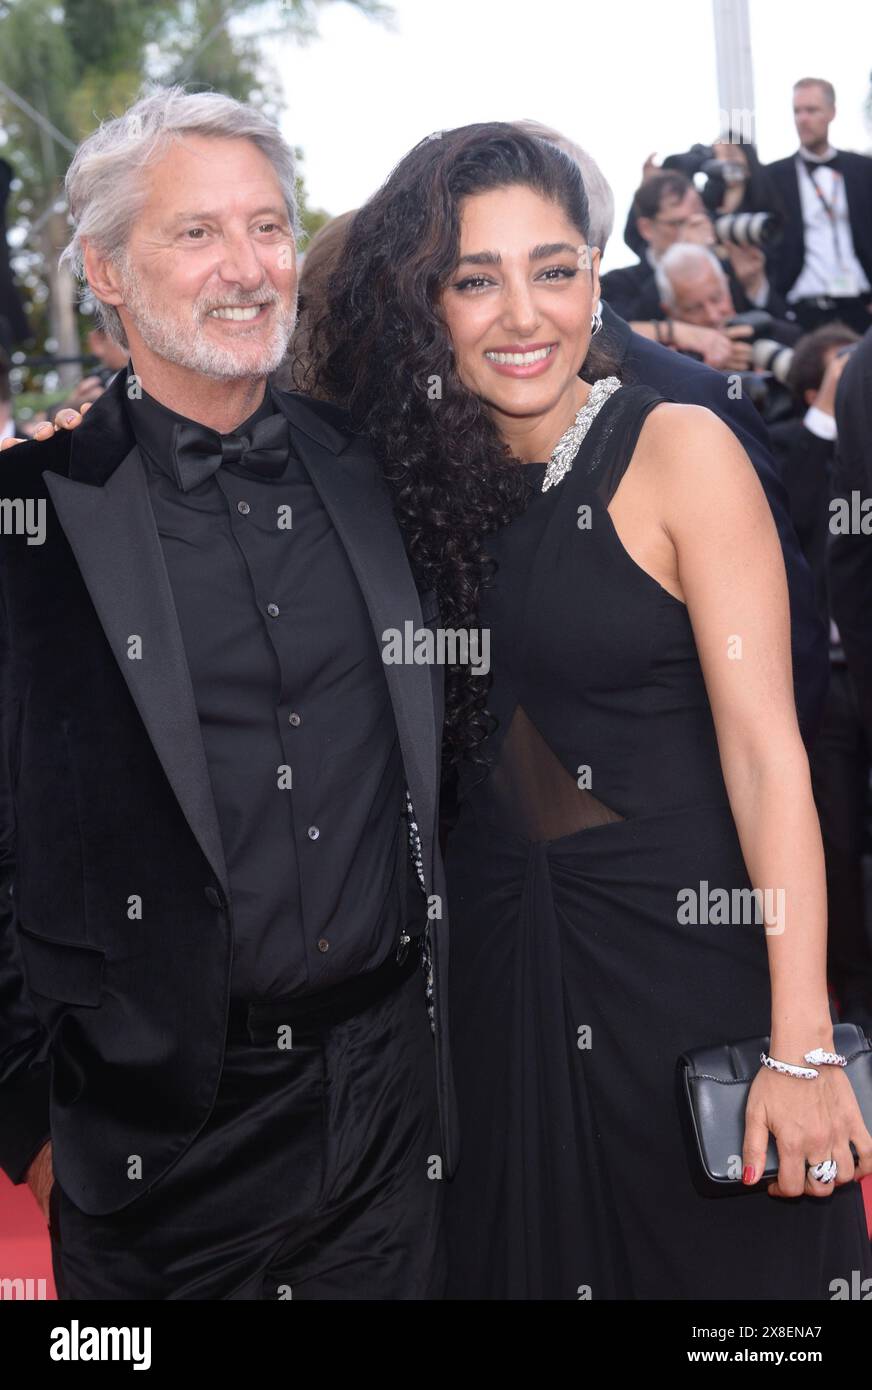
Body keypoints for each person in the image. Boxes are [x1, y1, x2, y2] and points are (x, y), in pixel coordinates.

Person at [309, 121, 872, 1300]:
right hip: (495, 993)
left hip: (688, 977)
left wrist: (802, 1040)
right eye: (477, 278)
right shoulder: (400, 486)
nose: (524, 314)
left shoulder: (677, 449)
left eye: (553, 269)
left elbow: (772, 758)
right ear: (427, 302)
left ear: (592, 279)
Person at [0, 86, 456, 1300]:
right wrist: (34, 1128)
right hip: (151, 1137)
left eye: (267, 225)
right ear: (104, 270)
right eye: (195, 233)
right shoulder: (28, 514)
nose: (247, 267)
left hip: (386, 1102)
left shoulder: (374, 472)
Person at [765, 78, 872, 335]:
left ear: (831, 113)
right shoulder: (773, 176)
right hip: (803, 309)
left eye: (811, 110)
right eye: (797, 111)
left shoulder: (863, 169)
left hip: (860, 305)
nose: (802, 119)